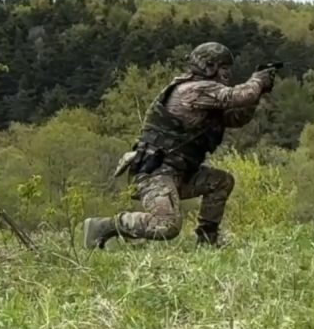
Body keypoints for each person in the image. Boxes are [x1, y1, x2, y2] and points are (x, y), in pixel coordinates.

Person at [81, 42, 276, 248]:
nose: (227, 74)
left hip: (179, 172)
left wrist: (258, 93)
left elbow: (237, 118)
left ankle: (208, 240)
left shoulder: (206, 98)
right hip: (155, 172)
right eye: (225, 68)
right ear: (210, 67)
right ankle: (104, 226)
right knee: (166, 226)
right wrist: (258, 81)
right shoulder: (192, 90)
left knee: (221, 181)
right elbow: (238, 96)